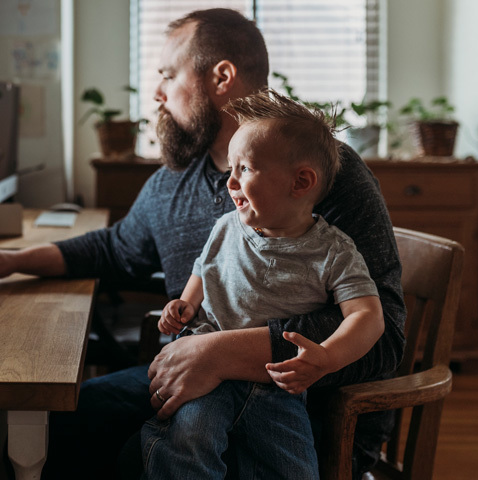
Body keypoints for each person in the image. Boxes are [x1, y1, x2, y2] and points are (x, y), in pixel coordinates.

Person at [0, 8, 405, 479]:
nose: (157, 93)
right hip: (193, 372)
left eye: (167, 75)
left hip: (302, 410)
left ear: (221, 76)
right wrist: (12, 260)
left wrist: (221, 353)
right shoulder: (176, 181)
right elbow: (114, 249)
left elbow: (383, 335)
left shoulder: (321, 177)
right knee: (68, 419)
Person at [142, 89, 385, 479]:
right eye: (231, 168)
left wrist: (327, 357)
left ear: (300, 182)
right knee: (188, 443)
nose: (230, 181)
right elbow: (204, 269)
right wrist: (185, 303)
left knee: (296, 470)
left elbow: (369, 315)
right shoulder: (226, 227)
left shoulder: (334, 251)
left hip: (276, 386)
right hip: (205, 374)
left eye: (245, 169)